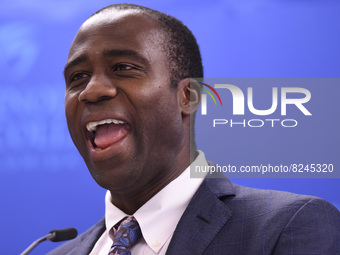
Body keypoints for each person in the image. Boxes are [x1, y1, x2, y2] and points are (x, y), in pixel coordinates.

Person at [49, 4, 340, 255]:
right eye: (78, 77)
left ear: (187, 97)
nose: (91, 90)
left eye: (123, 67)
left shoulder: (287, 227)